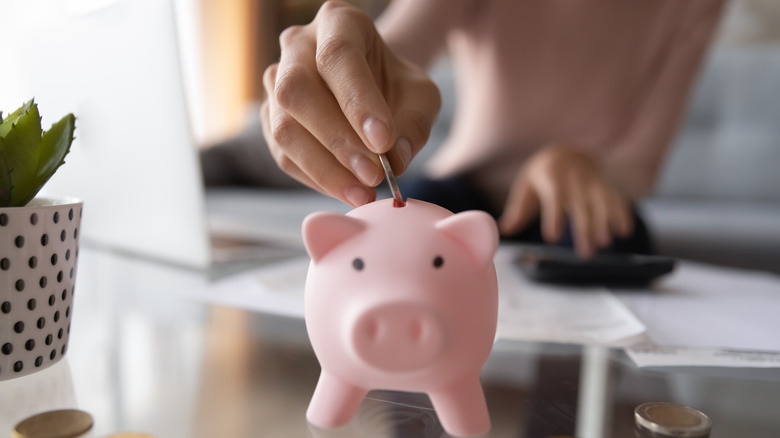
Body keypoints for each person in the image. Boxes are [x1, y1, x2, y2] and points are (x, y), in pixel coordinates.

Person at [259, 0, 725, 259]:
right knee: (407, 223)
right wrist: (345, 59)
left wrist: (582, 164)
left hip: (582, 203)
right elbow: (394, 49)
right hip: (466, 187)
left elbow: (642, 165)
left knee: (615, 238)